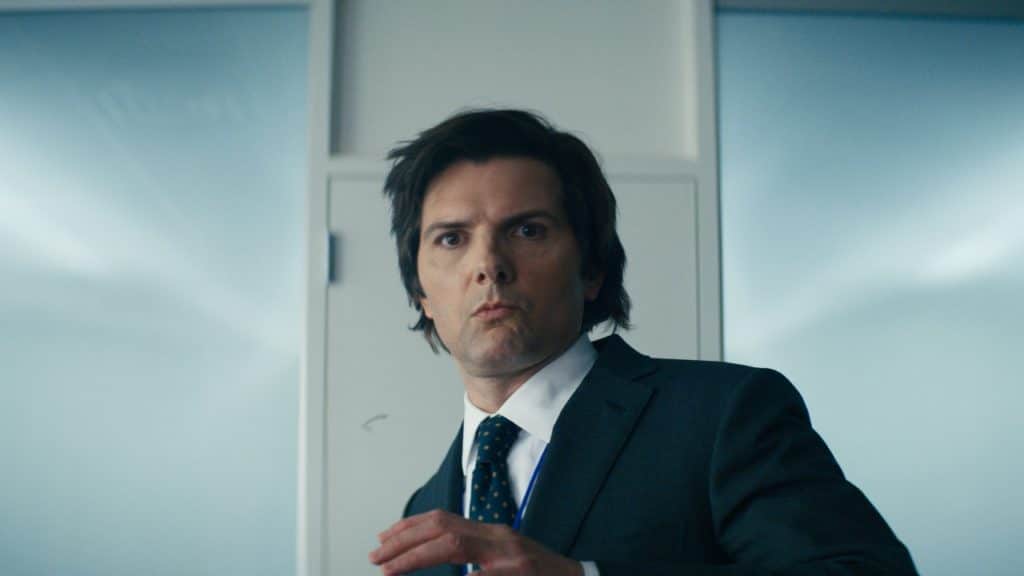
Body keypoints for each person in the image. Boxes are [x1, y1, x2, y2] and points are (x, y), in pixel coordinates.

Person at [368, 109, 917, 576]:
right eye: (451, 239)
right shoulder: (425, 509)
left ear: (592, 269)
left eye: (528, 230)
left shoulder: (725, 415)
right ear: (421, 293)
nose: (488, 264)